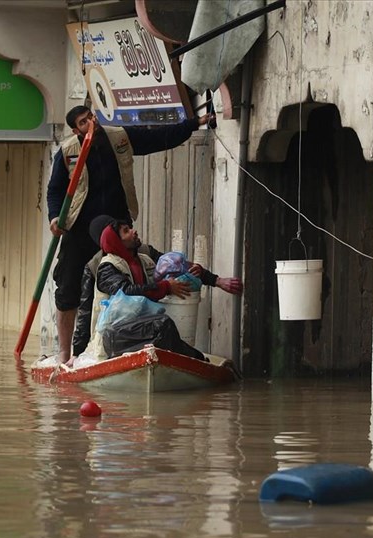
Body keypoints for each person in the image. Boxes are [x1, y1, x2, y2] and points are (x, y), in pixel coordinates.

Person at [48, 106, 214, 363]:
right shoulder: (68, 151)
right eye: (83, 122)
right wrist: (54, 217)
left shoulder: (119, 137)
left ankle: (115, 347)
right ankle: (64, 353)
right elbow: (55, 189)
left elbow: (157, 137)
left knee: (123, 283)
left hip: (116, 228)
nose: (90, 123)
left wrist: (195, 123)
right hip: (79, 228)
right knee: (67, 287)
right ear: (75, 130)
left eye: (91, 117)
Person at [71, 215, 243, 361]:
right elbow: (124, 293)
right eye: (126, 231)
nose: (134, 231)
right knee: (161, 325)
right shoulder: (105, 267)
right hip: (113, 333)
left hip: (138, 325)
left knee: (162, 325)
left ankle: (193, 359)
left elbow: (173, 265)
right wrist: (76, 354)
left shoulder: (144, 257)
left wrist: (207, 277)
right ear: (115, 241)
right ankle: (197, 359)